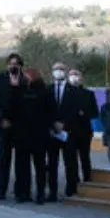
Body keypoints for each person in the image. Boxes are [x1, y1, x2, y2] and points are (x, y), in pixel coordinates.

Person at [10, 68, 54, 204]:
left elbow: (51, 112)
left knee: (40, 166)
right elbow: (12, 110)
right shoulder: (19, 92)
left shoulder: (44, 92)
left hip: (39, 135)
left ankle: (40, 193)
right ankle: (23, 193)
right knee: (22, 166)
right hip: (22, 135)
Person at [47, 61, 83, 200]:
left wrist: (64, 124)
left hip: (68, 131)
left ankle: (71, 188)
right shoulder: (48, 89)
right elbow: (45, 109)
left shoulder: (73, 91)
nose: (59, 72)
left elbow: (75, 110)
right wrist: (53, 124)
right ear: (52, 72)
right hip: (52, 132)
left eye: (61, 69)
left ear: (65, 71)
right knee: (52, 163)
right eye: (56, 69)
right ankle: (52, 191)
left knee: (70, 162)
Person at [0, 54, 23, 199]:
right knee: (3, 159)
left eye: (16, 64)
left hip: (21, 127)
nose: (13, 66)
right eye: (11, 63)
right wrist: (0, 121)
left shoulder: (26, 80)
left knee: (21, 161)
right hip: (4, 126)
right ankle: (1, 190)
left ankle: (20, 192)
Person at [68, 69, 98, 182]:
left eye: (76, 74)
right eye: (71, 74)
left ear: (81, 77)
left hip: (85, 130)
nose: (74, 77)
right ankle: (74, 180)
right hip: (70, 131)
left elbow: (95, 112)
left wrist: (84, 113)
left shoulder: (89, 94)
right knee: (71, 159)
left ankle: (87, 178)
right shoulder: (66, 93)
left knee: (85, 156)